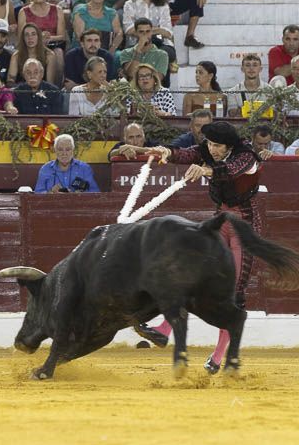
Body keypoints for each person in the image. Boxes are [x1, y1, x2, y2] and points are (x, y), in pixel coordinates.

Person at [127, 120, 263, 373]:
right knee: (192, 273)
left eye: (217, 145)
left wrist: (206, 171)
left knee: (232, 293)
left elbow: (231, 170)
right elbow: (187, 153)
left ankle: (219, 356)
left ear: (229, 145)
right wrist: (166, 152)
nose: (211, 149)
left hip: (244, 227)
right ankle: (164, 329)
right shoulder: (209, 150)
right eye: (209, 143)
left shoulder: (246, 155)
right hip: (220, 220)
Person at [34, 133, 99, 192]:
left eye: (68, 149)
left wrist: (80, 195)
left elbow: (95, 192)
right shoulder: (46, 169)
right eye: (60, 149)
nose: (64, 153)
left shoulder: (84, 168)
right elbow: (37, 193)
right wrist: (51, 192)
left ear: (73, 150)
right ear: (55, 150)